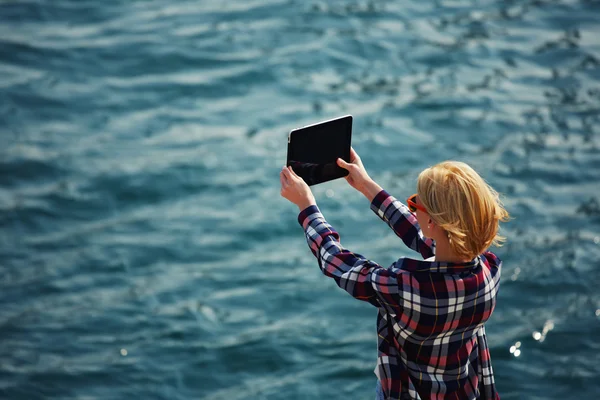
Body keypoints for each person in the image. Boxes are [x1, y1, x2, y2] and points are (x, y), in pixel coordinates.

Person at [279, 148, 510, 400]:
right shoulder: (489, 270)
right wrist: (366, 186)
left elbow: (338, 263)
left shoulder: (405, 289)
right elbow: (424, 236)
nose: (412, 210)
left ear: (432, 222)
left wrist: (307, 206)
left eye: (415, 204)